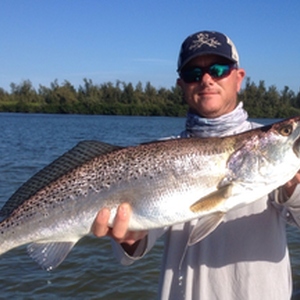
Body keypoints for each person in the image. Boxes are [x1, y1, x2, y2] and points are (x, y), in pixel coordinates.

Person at [92, 31, 300, 299]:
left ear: (239, 78)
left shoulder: (273, 151)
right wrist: (131, 240)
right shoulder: (154, 156)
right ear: (181, 85)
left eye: (219, 69)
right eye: (194, 73)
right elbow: (135, 246)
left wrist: (291, 191)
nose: (206, 79)